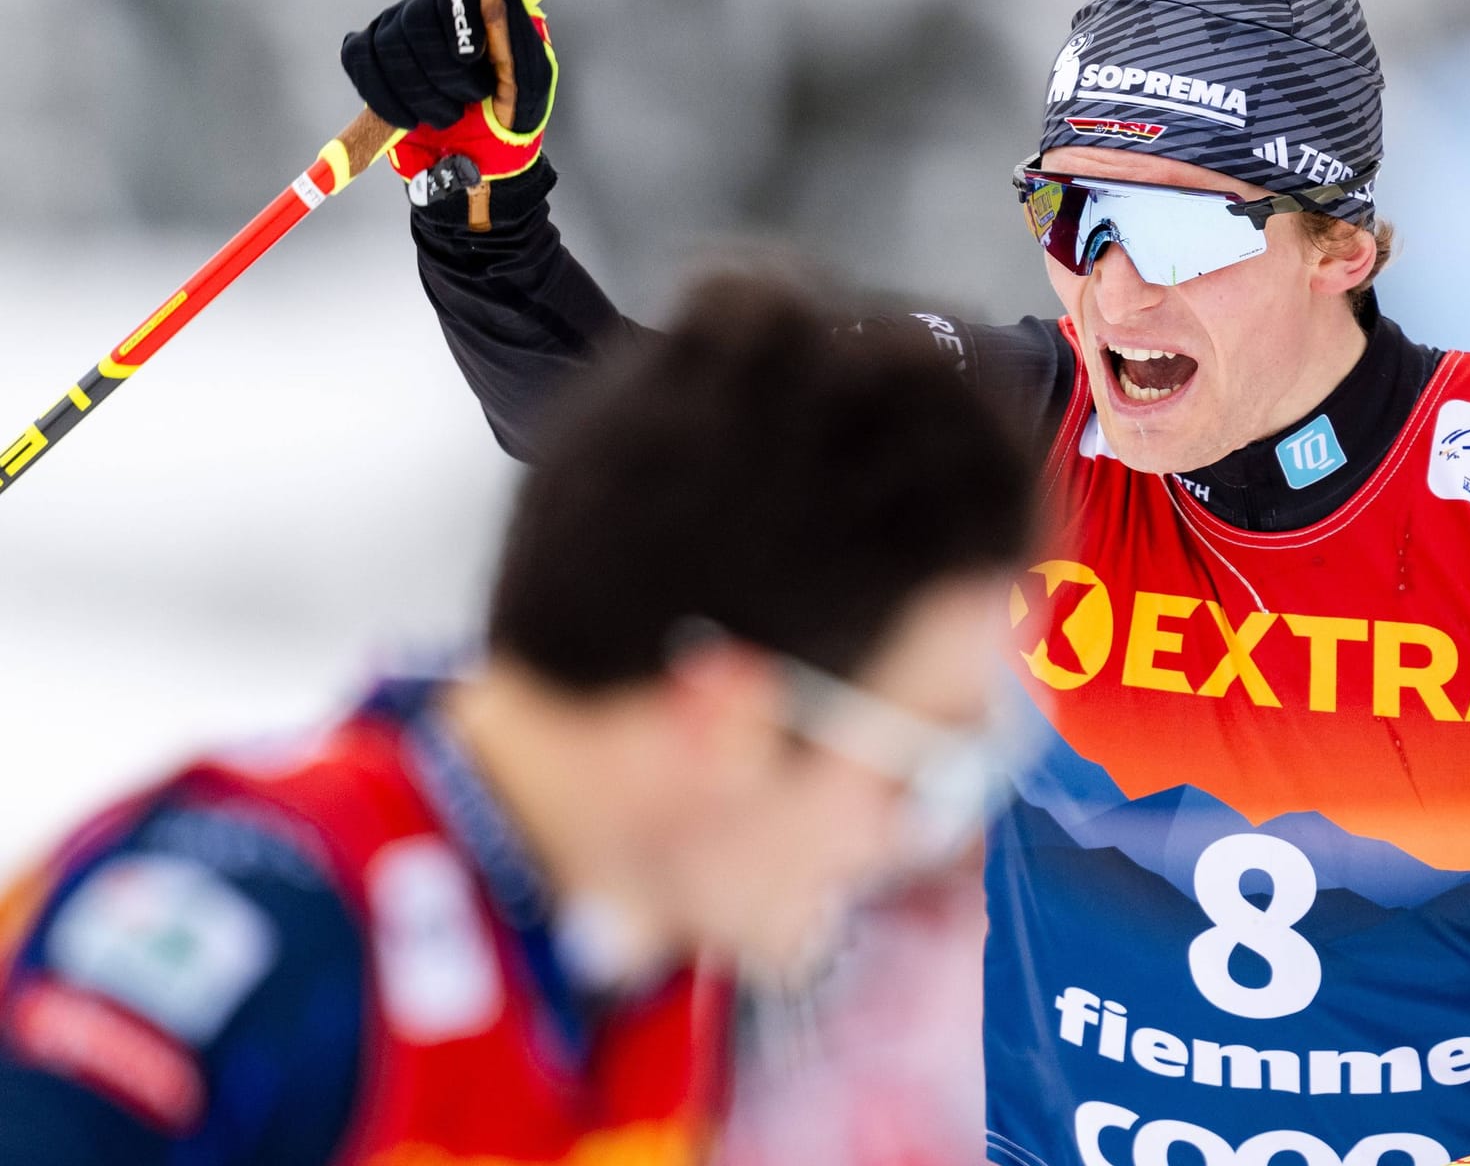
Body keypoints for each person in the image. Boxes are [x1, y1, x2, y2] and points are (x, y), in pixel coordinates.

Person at [336, 0, 1470, 1166]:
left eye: (1179, 232)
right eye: (1076, 216)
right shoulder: (1016, 425)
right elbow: (604, 418)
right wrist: (482, 192)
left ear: (1342, 247)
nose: (1114, 294)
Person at [0, 276, 1035, 1164]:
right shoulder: (249, 924)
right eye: (919, 768)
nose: (918, 840)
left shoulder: (657, 963)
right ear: (729, 713)